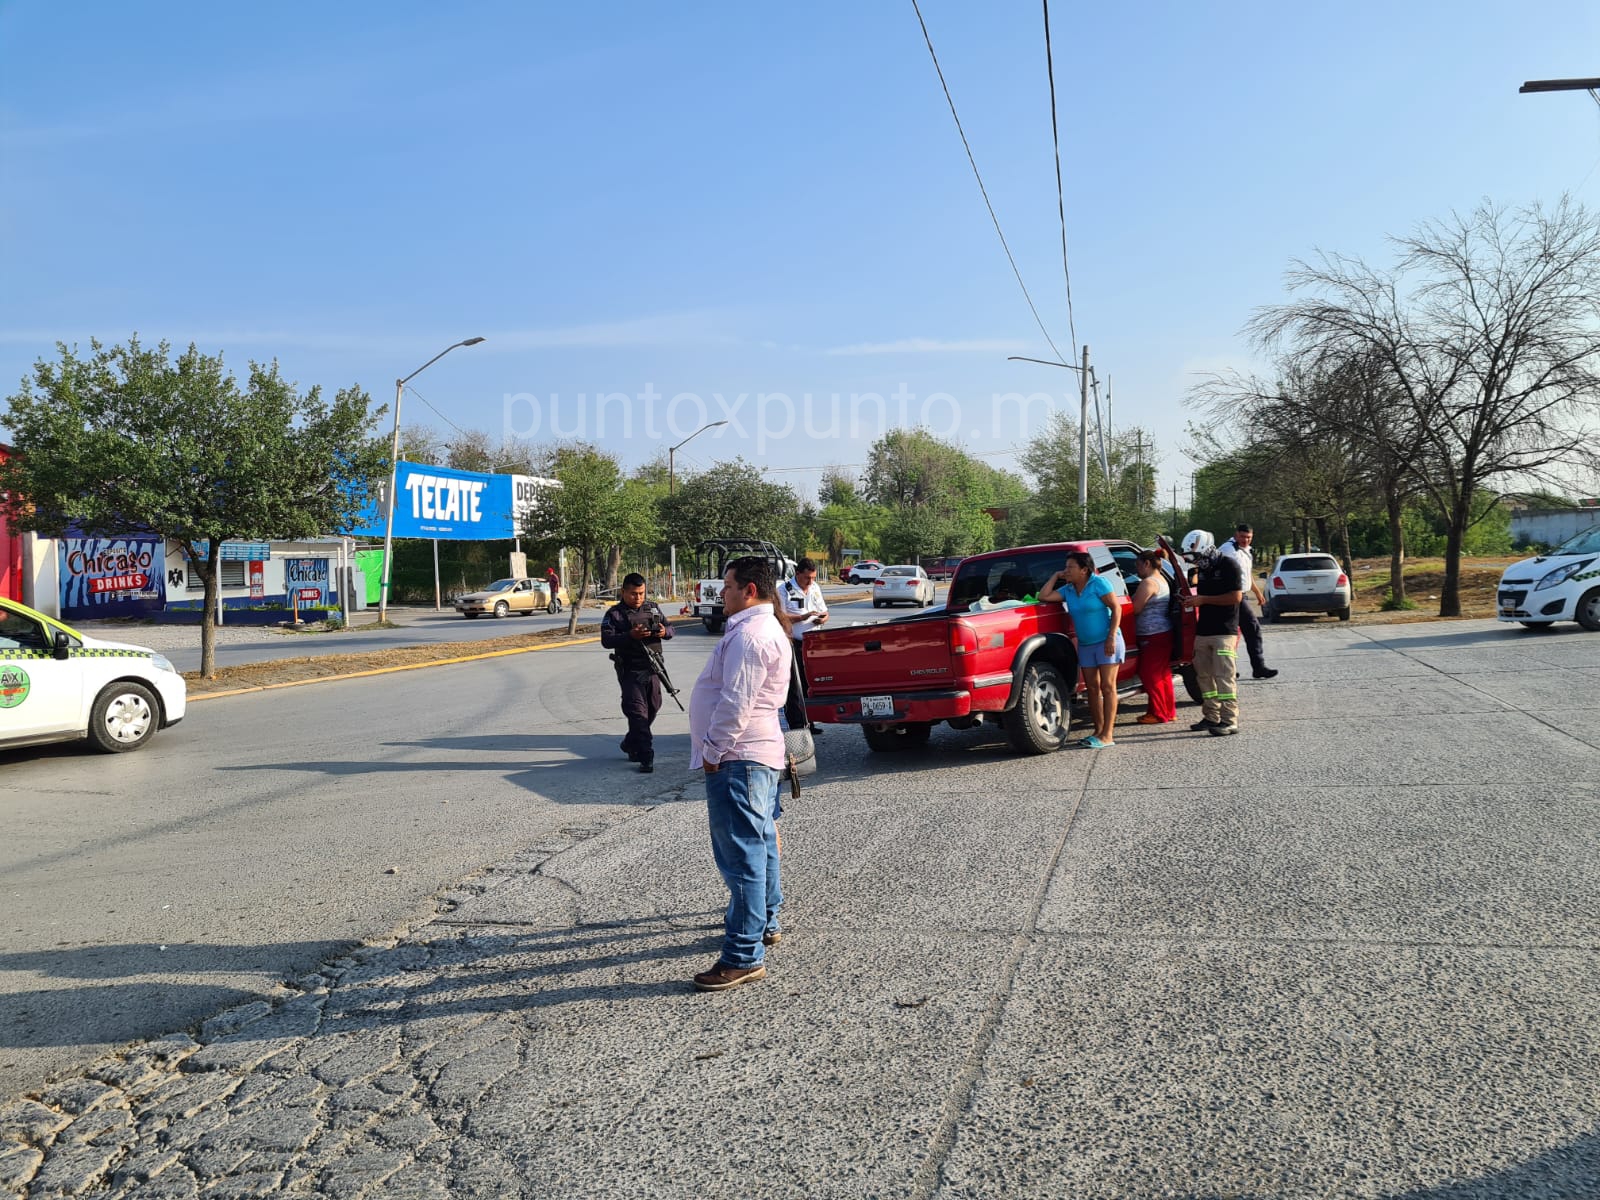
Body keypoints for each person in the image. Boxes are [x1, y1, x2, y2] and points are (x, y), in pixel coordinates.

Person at [688, 555, 791, 992]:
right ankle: (765, 921)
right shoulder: (761, 630)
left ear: (749, 590)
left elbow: (736, 703)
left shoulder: (751, 636)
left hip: (739, 758)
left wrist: (713, 750)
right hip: (754, 756)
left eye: (727, 586)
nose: (722, 593)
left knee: (743, 857)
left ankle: (744, 955)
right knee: (761, 844)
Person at [1039, 550, 1124, 749]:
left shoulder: (1099, 584)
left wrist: (1111, 636)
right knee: (1092, 689)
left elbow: (1117, 608)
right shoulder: (1068, 590)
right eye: (1066, 567)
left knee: (1108, 687)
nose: (1066, 570)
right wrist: (1055, 576)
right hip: (1086, 645)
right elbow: (1044, 595)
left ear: (1084, 570)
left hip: (1107, 641)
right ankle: (1098, 731)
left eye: (1071, 567)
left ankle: (1108, 734)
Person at [599, 572, 674, 774]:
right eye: (633, 594)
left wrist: (662, 632)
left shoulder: (653, 608)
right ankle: (645, 755)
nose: (638, 598)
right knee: (638, 713)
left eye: (641, 593)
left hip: (653, 669)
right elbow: (607, 640)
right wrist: (629, 636)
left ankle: (630, 742)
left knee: (653, 707)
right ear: (623, 592)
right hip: (630, 670)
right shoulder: (614, 614)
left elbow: (670, 629)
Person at [1181, 529, 1244, 736]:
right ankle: (1211, 716)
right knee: (1204, 677)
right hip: (1204, 630)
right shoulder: (1203, 569)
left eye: (1198, 558)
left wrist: (1203, 600)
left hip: (1224, 631)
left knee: (1224, 676)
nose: (1197, 563)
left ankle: (1229, 720)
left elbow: (1236, 597)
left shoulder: (1229, 565)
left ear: (1207, 549)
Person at [1218, 523, 1278, 680]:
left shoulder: (1246, 551)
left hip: (1241, 595)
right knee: (1238, 632)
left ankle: (1255, 668)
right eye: (1243, 537)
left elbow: (1246, 574)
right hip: (1231, 595)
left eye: (1249, 538)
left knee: (1244, 631)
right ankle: (1240, 668)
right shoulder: (1228, 550)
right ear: (1236, 534)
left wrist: (1258, 593)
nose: (1246, 540)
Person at [779, 557, 829, 735]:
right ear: (797, 574)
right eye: (807, 578)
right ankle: (797, 725)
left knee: (810, 684)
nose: (810, 581)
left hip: (813, 643)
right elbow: (780, 616)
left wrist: (822, 618)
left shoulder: (815, 588)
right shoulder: (784, 590)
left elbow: (825, 611)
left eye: (813, 578)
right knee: (795, 685)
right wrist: (802, 617)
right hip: (794, 643)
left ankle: (810, 722)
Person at [1130, 550, 1176, 725]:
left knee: (1149, 674)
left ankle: (1158, 713)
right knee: (1162, 673)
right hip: (1163, 632)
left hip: (1151, 633)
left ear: (1146, 563)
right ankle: (1167, 710)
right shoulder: (1162, 580)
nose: (1137, 570)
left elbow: (1136, 608)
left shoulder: (1148, 583)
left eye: (1138, 565)